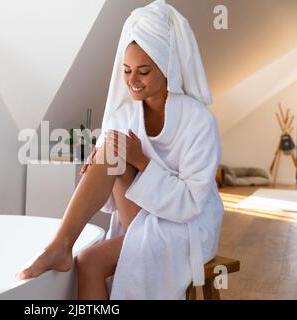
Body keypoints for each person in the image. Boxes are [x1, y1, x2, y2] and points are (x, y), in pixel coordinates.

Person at [15, 0, 224, 300]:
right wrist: (99, 166)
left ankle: (62, 246)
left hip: (186, 226)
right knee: (110, 152)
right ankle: (61, 243)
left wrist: (140, 159)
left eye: (144, 71)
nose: (132, 81)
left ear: (168, 68)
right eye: (126, 70)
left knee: (89, 261)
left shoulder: (199, 121)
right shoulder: (123, 116)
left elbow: (191, 204)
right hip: (138, 215)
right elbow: (109, 200)